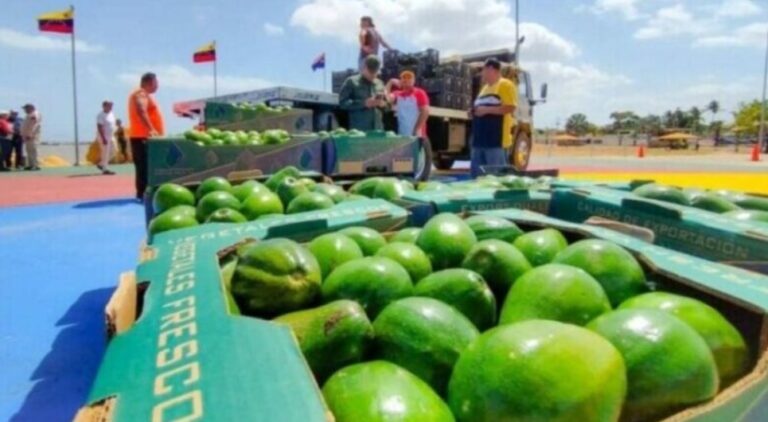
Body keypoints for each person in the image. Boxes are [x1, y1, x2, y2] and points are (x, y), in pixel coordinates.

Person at [469, 58, 517, 177]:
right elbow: (481, 107)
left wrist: (486, 110)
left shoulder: (505, 84)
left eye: (483, 70)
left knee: (496, 177)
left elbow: (510, 107)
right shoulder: (484, 89)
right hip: (479, 142)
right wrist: (473, 112)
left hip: (495, 142)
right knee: (477, 177)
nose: (482, 73)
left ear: (491, 69)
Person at [128, 72, 164, 201]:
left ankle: (143, 193)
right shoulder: (141, 93)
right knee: (146, 167)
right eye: (156, 82)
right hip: (143, 137)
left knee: (144, 167)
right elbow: (141, 110)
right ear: (149, 82)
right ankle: (145, 194)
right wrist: (151, 129)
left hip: (140, 137)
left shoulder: (143, 94)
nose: (157, 85)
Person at [339, 55, 387, 132]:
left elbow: (387, 106)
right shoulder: (351, 82)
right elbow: (342, 103)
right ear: (364, 67)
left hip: (378, 130)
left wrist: (382, 104)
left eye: (375, 72)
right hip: (359, 132)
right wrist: (364, 103)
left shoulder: (380, 83)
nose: (372, 75)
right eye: (370, 72)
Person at [386, 70, 430, 137]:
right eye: (404, 78)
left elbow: (425, 111)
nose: (406, 79)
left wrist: (416, 129)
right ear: (400, 81)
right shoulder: (397, 94)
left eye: (409, 77)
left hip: (417, 135)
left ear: (414, 80)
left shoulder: (419, 93)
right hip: (402, 135)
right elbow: (387, 99)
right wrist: (390, 82)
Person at [96, 100, 116, 175]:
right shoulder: (100, 115)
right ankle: (105, 169)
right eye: (109, 105)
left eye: (111, 105)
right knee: (105, 152)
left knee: (114, 151)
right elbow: (99, 126)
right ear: (104, 106)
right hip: (104, 136)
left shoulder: (111, 114)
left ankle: (101, 164)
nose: (111, 107)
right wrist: (103, 138)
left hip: (111, 136)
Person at [20, 104, 41, 171]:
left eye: (26, 108)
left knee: (33, 150)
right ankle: (31, 165)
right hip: (27, 136)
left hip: (32, 136)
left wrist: (30, 134)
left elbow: (34, 125)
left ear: (30, 108)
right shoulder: (29, 115)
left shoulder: (34, 114)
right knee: (29, 150)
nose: (25, 110)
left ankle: (35, 165)